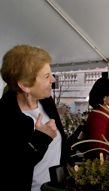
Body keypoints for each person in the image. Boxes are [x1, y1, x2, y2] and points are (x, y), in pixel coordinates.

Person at [0, 45, 68, 191]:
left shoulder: (47, 102)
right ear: (25, 85)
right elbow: (13, 167)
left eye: (51, 74)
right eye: (46, 76)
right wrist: (41, 139)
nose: (53, 79)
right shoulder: (5, 116)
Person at [85, 77, 109, 162]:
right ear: (104, 97)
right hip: (104, 165)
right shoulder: (98, 116)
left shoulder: (106, 112)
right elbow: (98, 145)